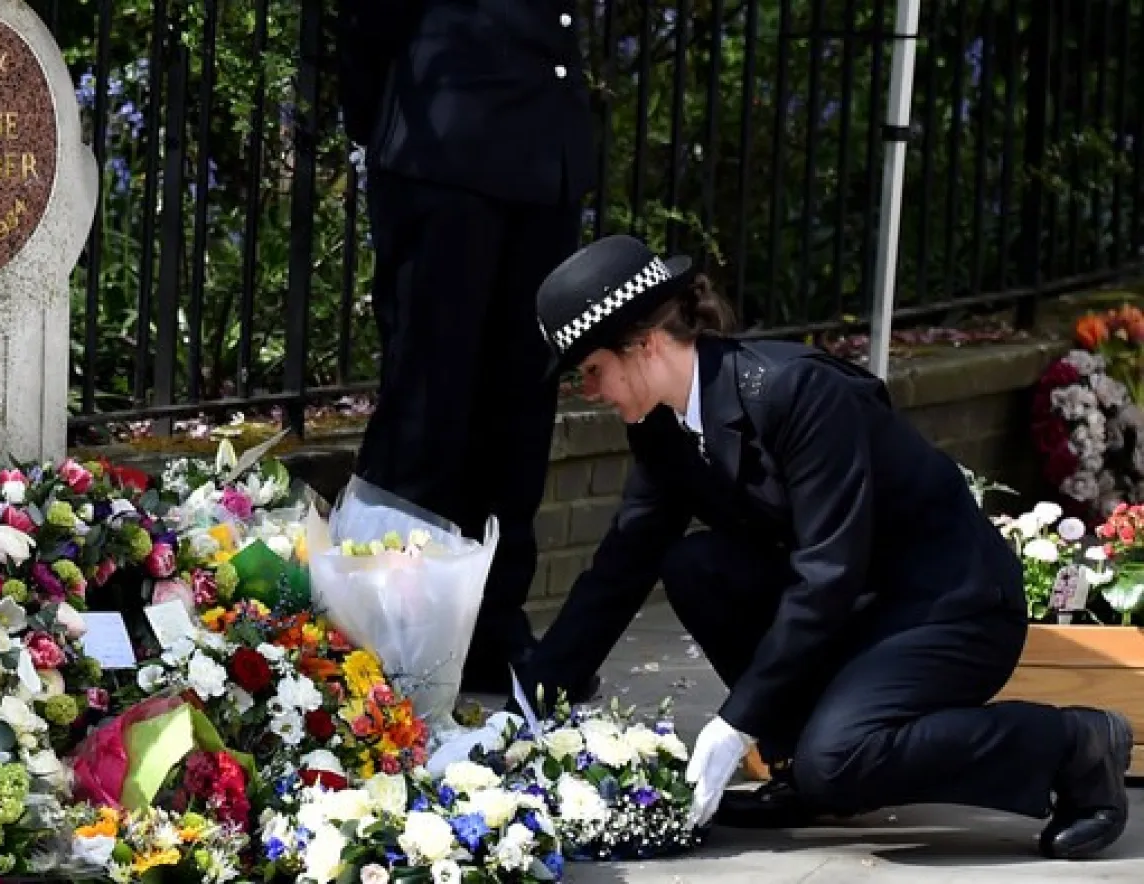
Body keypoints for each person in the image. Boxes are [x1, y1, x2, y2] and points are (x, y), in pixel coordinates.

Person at [515, 233, 1132, 860]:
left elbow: (827, 574)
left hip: (947, 603)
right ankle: (799, 767)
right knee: (696, 567)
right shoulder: (662, 427)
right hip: (858, 602)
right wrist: (528, 709)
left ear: (643, 345)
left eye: (591, 371)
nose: (588, 392)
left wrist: (735, 725)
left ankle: (1074, 746)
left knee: (838, 759)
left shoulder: (795, 392)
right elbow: (624, 563)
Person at [336, 1, 598, 693]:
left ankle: (491, 627)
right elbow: (369, 21)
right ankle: (391, 626)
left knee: (521, 406)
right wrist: (379, 120)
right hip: (445, 152)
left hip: (543, 160)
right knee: (429, 405)